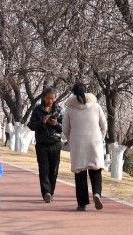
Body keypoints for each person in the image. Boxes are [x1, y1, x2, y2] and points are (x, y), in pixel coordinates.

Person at [63, 82, 107, 211]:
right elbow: (104, 125)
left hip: (78, 143)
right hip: (95, 142)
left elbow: (65, 128)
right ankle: (97, 193)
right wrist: (100, 138)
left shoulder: (69, 109)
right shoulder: (96, 106)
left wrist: (71, 139)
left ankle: (82, 203)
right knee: (96, 169)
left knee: (80, 172)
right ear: (86, 91)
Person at [28, 86, 63, 202]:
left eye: (52, 98)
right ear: (43, 97)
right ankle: (46, 192)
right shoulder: (37, 110)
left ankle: (51, 192)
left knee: (54, 170)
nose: (50, 101)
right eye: (48, 98)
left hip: (56, 143)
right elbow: (31, 125)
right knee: (44, 169)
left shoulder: (59, 110)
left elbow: (64, 128)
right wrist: (42, 122)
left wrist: (56, 124)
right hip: (42, 144)